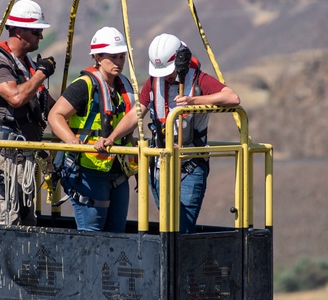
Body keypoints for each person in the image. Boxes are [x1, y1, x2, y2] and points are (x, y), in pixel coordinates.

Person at [102, 33, 240, 233]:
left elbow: (232, 98)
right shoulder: (153, 82)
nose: (165, 76)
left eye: (169, 70)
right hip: (161, 166)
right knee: (167, 227)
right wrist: (112, 137)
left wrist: (194, 101)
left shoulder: (198, 79)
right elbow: (136, 114)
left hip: (190, 166)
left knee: (182, 229)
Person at [0, 0, 56, 226]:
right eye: (36, 31)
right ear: (18, 31)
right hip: (3, 158)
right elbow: (16, 97)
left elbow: (50, 105)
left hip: (22, 156)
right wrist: (41, 74)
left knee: (27, 220)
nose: (40, 36)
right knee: (7, 219)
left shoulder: (25, 65)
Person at [47, 27, 138, 232]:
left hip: (118, 170)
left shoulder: (125, 86)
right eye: (113, 57)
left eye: (122, 57)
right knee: (92, 236)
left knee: (118, 236)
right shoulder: (84, 85)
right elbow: (55, 115)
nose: (118, 62)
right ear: (97, 57)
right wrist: (71, 140)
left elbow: (131, 120)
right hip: (88, 172)